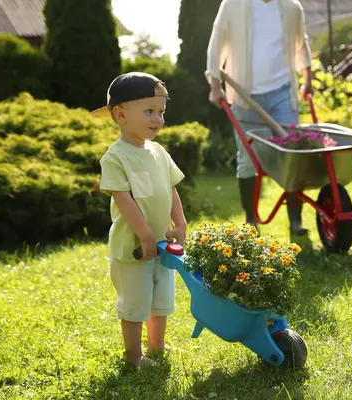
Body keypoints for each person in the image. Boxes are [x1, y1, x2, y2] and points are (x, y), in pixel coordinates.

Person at [92, 72, 187, 367]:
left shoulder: (158, 151)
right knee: (136, 302)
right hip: (133, 247)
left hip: (161, 243)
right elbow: (124, 200)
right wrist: (144, 235)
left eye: (161, 112)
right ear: (120, 114)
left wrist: (180, 223)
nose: (157, 118)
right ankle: (134, 356)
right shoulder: (115, 157)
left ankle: (157, 345)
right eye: (149, 111)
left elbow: (170, 188)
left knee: (161, 300)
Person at [205, 0, 313, 235]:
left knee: (293, 154)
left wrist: (307, 79)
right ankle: (251, 219)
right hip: (245, 94)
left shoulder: (291, 7)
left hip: (283, 91)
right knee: (248, 157)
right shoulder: (233, 5)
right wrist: (215, 85)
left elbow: (300, 44)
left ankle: (296, 221)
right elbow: (217, 42)